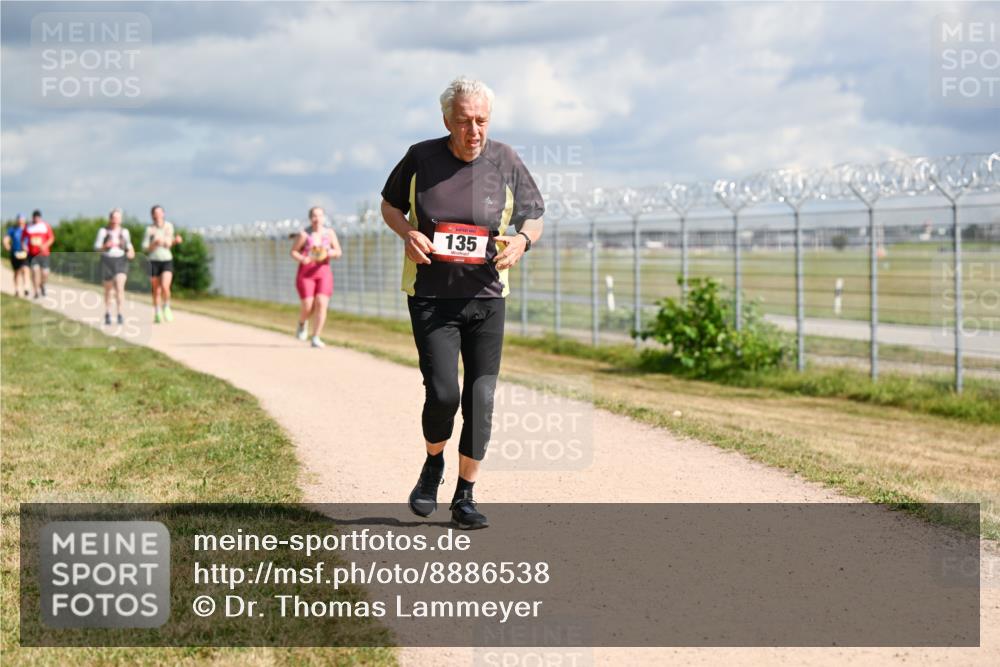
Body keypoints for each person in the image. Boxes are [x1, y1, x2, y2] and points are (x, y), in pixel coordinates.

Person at [380, 77, 544, 529]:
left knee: (480, 397)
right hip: (432, 296)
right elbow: (390, 205)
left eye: (482, 121)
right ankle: (433, 462)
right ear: (446, 120)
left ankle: (465, 495)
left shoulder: (505, 158)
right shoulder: (421, 157)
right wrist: (407, 232)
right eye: (464, 121)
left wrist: (522, 241)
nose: (474, 130)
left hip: (487, 296)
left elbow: (535, 214)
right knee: (444, 393)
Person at [290, 206, 342, 348]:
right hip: (306, 273)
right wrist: (302, 258)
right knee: (308, 305)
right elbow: (293, 252)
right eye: (314, 216)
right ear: (310, 218)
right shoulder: (304, 235)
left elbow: (338, 251)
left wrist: (329, 252)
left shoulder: (329, 233)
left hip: (323, 272)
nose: (317, 219)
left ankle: (316, 337)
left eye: (319, 215)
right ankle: (302, 323)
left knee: (321, 303)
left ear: (324, 218)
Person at [94, 208, 135, 325]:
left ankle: (120, 313)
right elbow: (96, 248)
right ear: (110, 219)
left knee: (120, 286)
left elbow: (129, 246)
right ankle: (107, 312)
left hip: (121, 260)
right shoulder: (103, 231)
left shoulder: (124, 232)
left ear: (121, 220)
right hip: (106, 260)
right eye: (114, 218)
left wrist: (131, 252)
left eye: (118, 218)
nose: (115, 220)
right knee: (108, 289)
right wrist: (105, 246)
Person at [142, 204, 183, 323]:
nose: (158, 215)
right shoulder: (149, 229)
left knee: (165, 286)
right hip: (154, 261)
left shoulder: (169, 227)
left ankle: (167, 306)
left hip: (166, 260)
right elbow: (145, 247)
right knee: (156, 289)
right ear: (152, 215)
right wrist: (154, 243)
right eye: (156, 213)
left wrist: (175, 241)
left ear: (163, 214)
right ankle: (157, 311)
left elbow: (169, 243)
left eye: (160, 212)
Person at [24, 210, 54, 298]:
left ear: (40, 217)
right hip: (32, 254)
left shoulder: (45, 226)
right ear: (33, 217)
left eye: (38, 217)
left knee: (45, 273)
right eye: (34, 217)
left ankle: (42, 285)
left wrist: (45, 245)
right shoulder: (28, 226)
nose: (36, 219)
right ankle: (36, 291)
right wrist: (25, 246)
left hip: (44, 254)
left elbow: (51, 238)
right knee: (34, 271)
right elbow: (23, 239)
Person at [4, 213, 31, 297]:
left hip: (25, 253)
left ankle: (26, 287)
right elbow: (6, 239)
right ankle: (17, 289)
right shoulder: (12, 230)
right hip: (15, 253)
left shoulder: (28, 229)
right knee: (17, 272)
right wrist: (7, 246)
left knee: (26, 269)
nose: (21, 221)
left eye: (22, 220)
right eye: (19, 220)